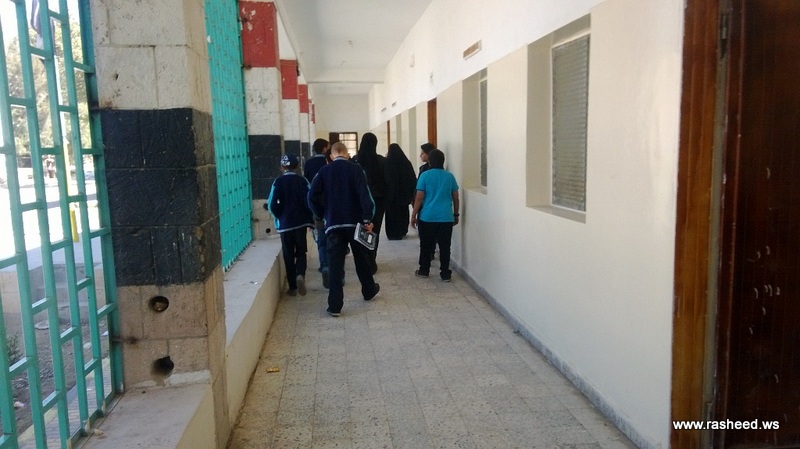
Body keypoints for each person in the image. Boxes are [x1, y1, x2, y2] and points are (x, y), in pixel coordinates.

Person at [308, 142, 381, 316]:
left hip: (333, 224)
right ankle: (369, 290)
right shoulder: (356, 169)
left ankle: (335, 306)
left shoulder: (324, 171)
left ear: (331, 156)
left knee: (335, 264)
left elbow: (311, 197)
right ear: (347, 155)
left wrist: (322, 214)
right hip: (355, 223)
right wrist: (367, 218)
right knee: (361, 258)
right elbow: (365, 195)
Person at [267, 154, 314, 296]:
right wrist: (309, 219)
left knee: (288, 255)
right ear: (297, 166)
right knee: (301, 252)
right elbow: (309, 201)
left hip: (285, 224)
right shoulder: (302, 181)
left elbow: (271, 204)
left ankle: (293, 286)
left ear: (282, 167)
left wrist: (279, 216)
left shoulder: (277, 182)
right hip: (300, 223)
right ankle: (300, 274)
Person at [410, 149, 460, 282]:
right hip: (446, 217)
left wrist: (414, 215)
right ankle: (445, 273)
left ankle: (424, 270)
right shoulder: (450, 177)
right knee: (445, 246)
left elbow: (419, 197)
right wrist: (456, 214)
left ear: (430, 161)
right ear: (443, 161)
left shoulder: (425, 176)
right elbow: (455, 198)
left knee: (426, 244)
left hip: (427, 217)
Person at [351, 132, 387, 274]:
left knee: (360, 230)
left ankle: (363, 261)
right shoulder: (381, 161)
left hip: (359, 201)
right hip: (378, 200)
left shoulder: (355, 160)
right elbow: (387, 182)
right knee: (374, 230)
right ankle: (372, 261)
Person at [304, 138, 330, 285]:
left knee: (321, 236)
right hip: (331, 205)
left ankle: (324, 264)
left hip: (316, 205)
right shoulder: (328, 163)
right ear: (324, 149)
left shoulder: (309, 163)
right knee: (333, 236)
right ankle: (334, 265)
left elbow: (308, 186)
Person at [384, 143, 417, 240]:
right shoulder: (406, 163)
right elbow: (412, 179)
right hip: (403, 195)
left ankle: (392, 233)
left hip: (390, 195)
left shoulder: (387, 163)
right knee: (403, 213)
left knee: (391, 214)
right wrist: (410, 194)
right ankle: (402, 230)